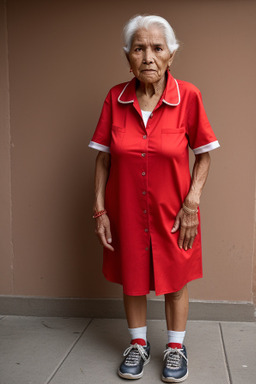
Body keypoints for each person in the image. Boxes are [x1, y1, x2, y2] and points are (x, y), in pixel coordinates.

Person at [89, 15, 220, 383]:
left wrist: (192, 202)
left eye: (157, 48)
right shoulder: (115, 98)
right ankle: (138, 344)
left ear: (171, 55)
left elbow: (204, 153)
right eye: (139, 48)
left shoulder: (188, 96)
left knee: (176, 280)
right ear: (128, 57)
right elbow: (103, 157)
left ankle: (175, 348)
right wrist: (100, 210)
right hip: (126, 209)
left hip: (175, 211)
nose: (148, 56)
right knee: (132, 278)